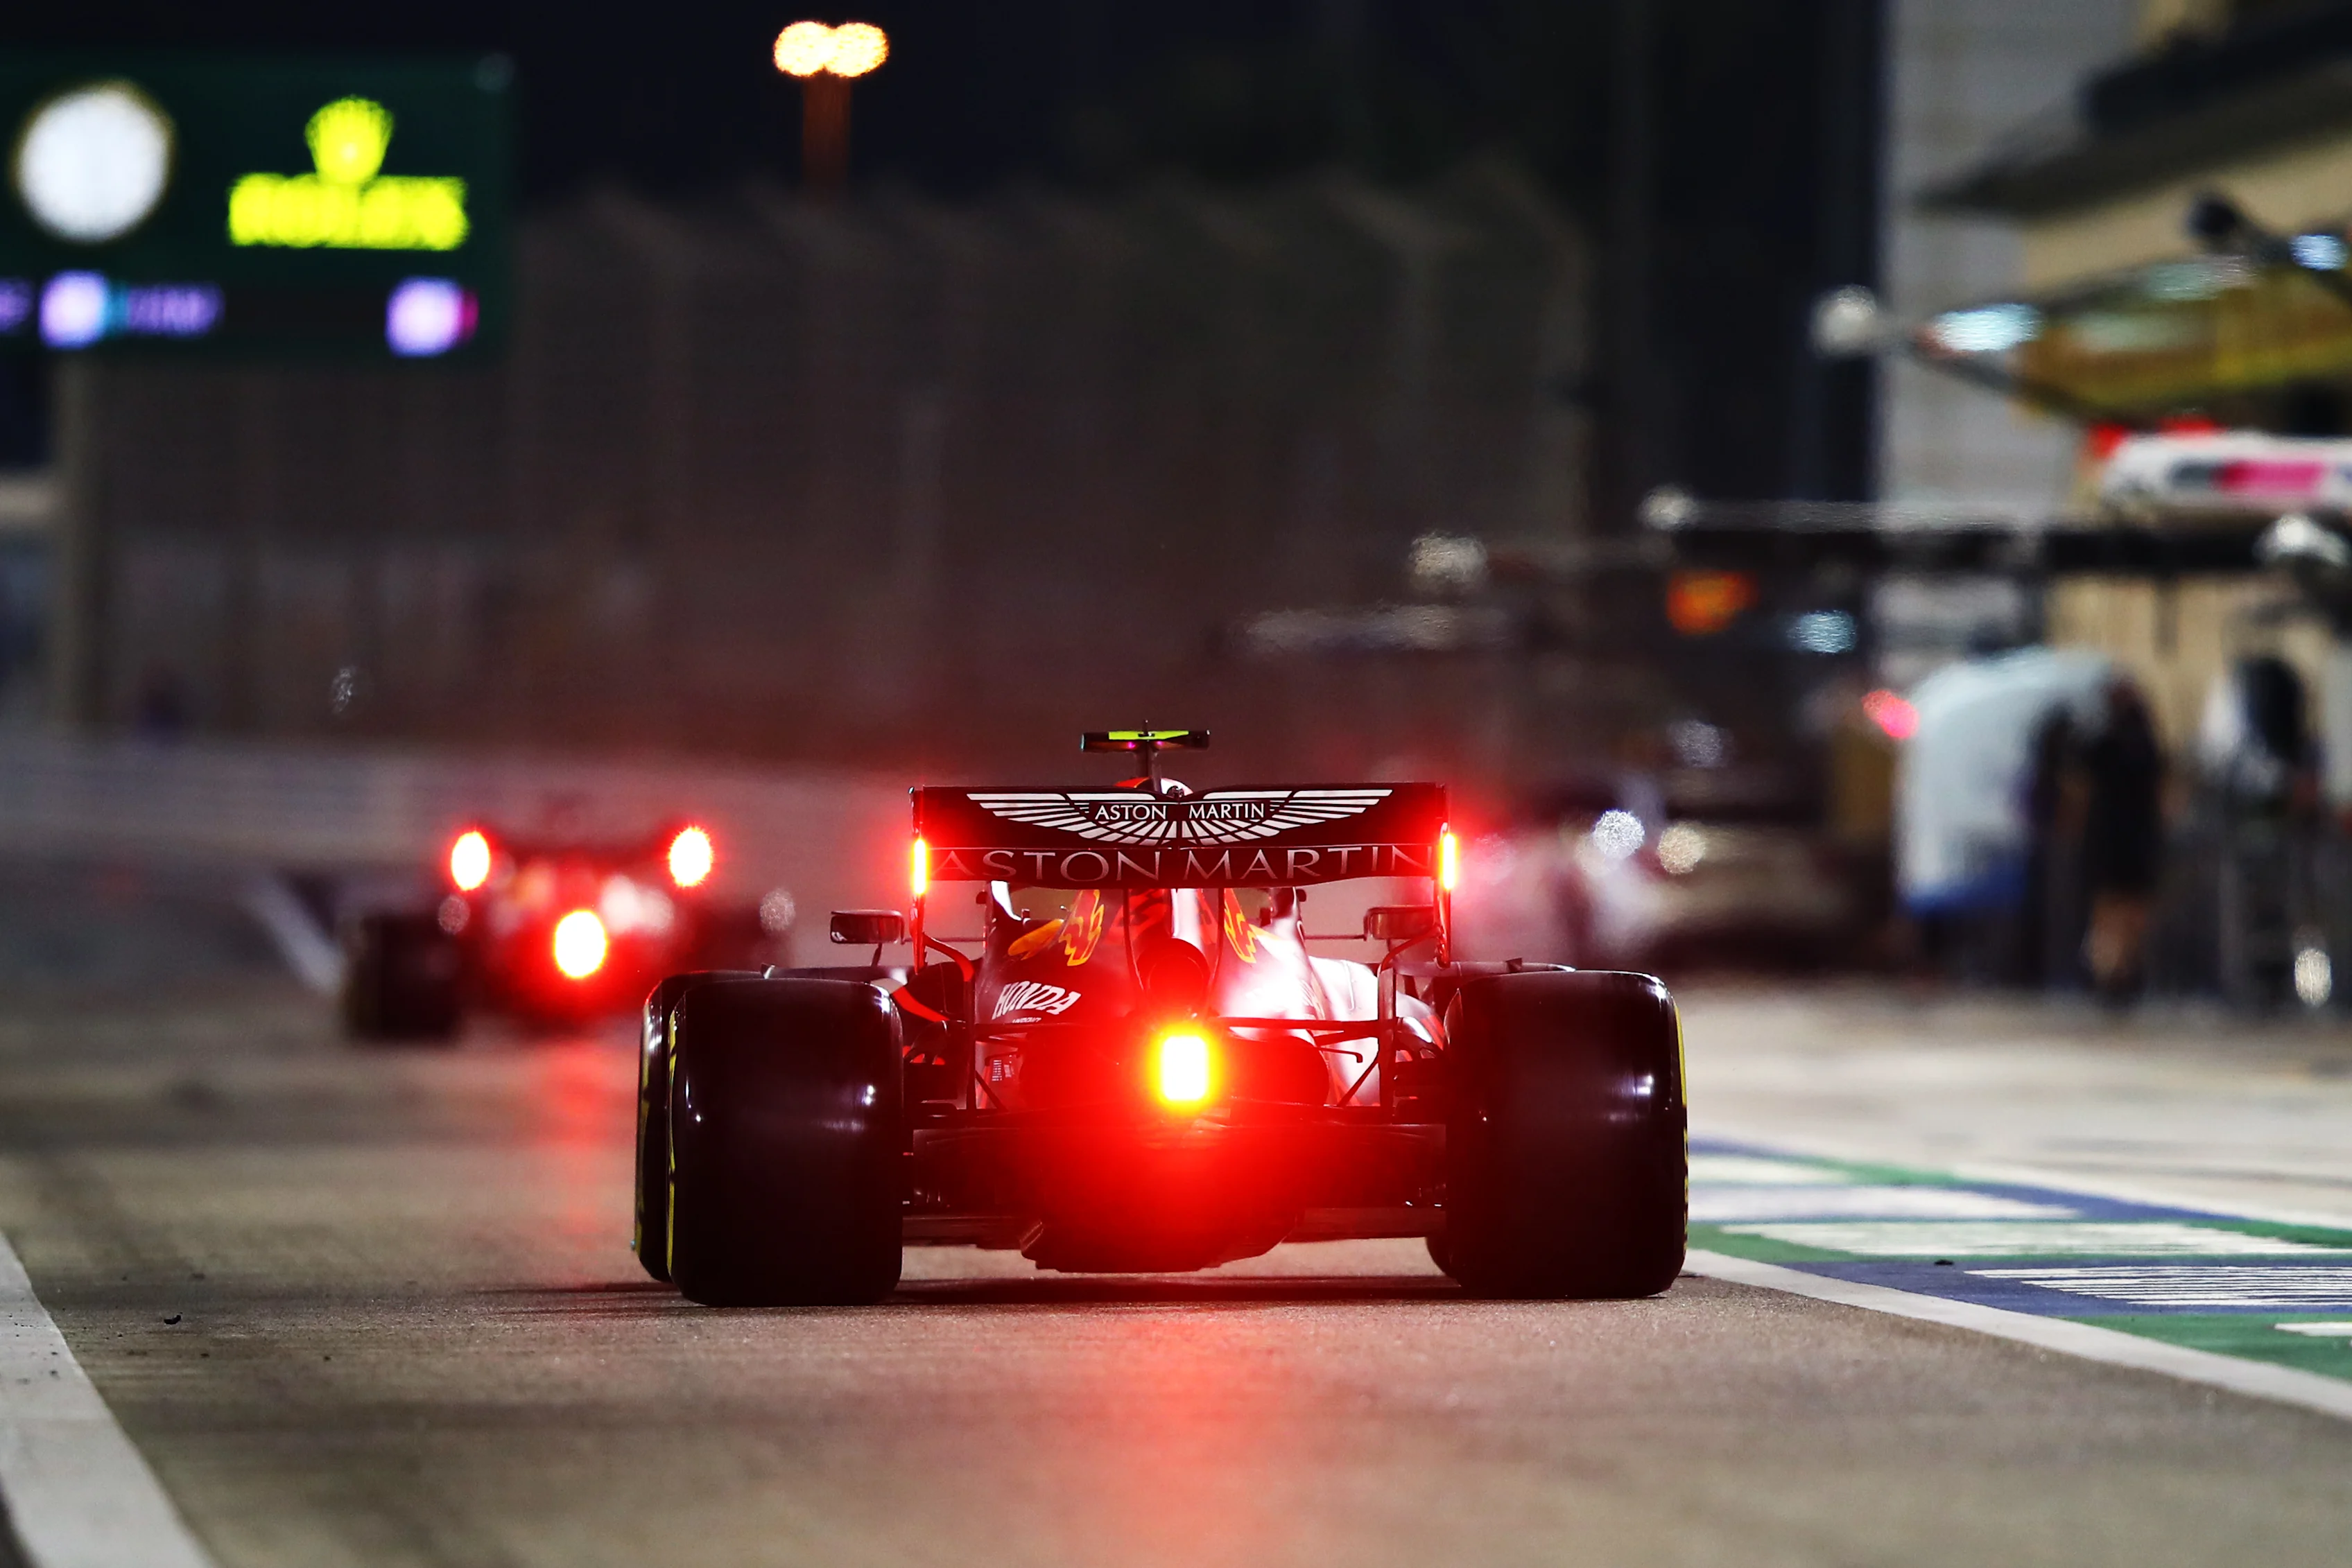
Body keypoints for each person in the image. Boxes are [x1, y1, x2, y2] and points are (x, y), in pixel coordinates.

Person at [2079, 679, 2165, 1001]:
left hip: (2110, 841)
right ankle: (2124, 970)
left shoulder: (2105, 742)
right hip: (2137, 840)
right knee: (2130, 913)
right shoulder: (2145, 743)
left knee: (2111, 912)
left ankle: (2111, 973)